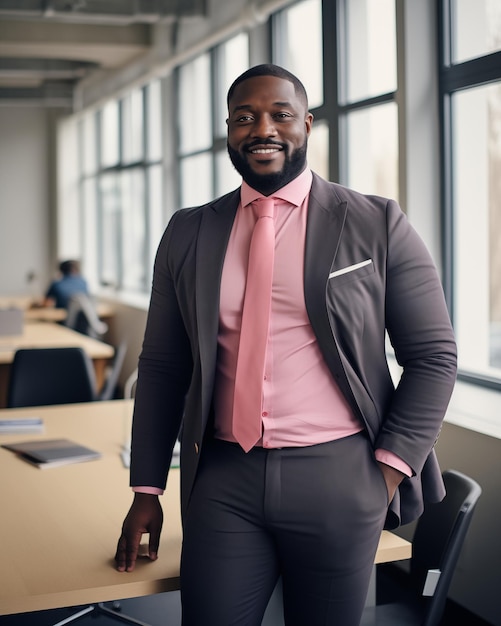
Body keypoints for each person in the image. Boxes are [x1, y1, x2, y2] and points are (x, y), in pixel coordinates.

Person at [115, 64, 457, 625]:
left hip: (340, 475)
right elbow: (161, 368)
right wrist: (146, 488)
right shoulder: (188, 231)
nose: (262, 129)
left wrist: (386, 473)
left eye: (280, 115)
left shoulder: (376, 223)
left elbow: (434, 357)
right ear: (228, 129)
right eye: (244, 117)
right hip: (224, 477)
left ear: (307, 125)